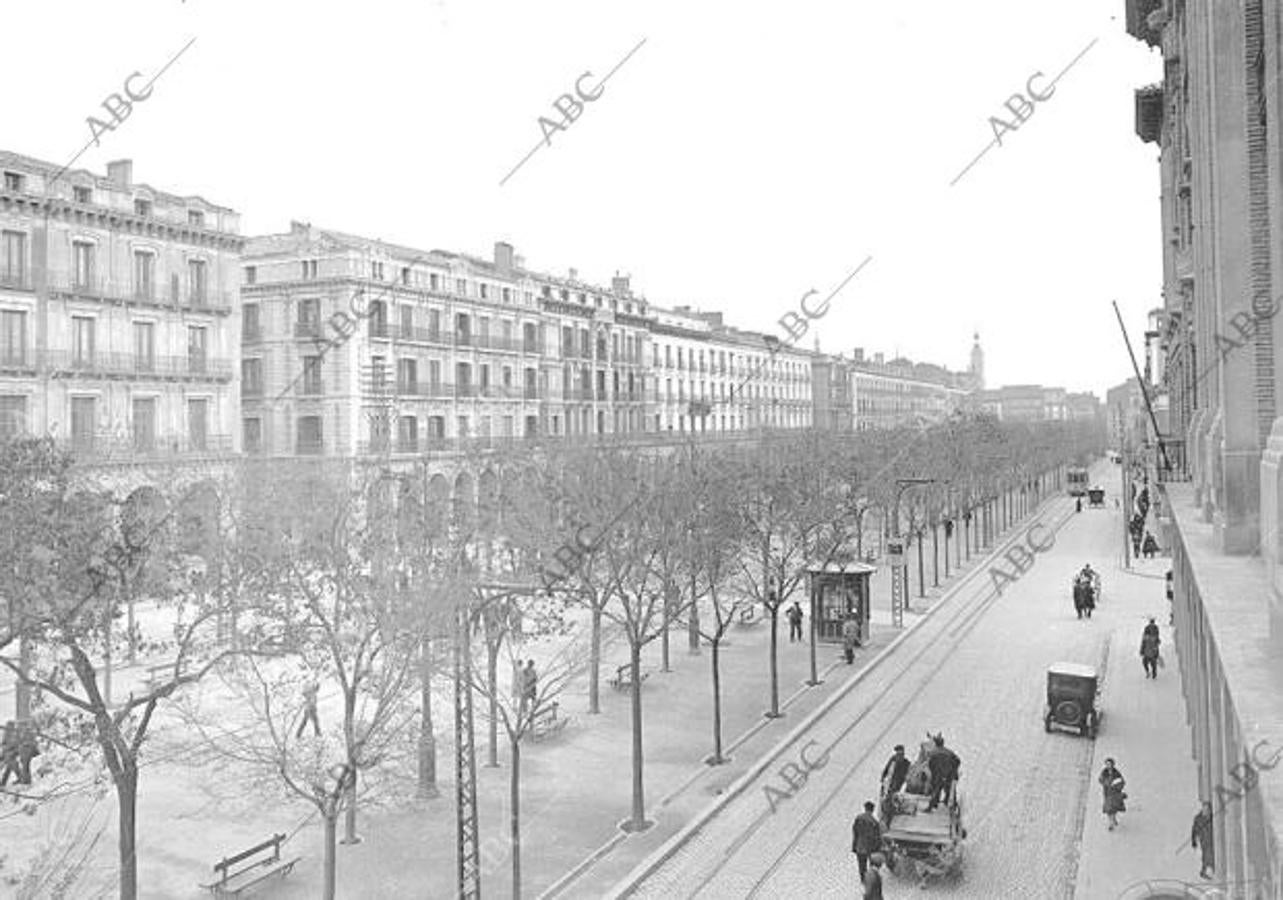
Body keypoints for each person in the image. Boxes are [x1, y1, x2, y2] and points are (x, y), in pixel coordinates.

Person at [925, 734, 960, 812]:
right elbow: (957, 761)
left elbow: (930, 764)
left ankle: (933, 805)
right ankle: (952, 804)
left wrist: (933, 773)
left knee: (936, 789)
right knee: (950, 789)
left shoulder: (932, 752)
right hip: (949, 773)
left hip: (938, 774)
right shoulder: (949, 752)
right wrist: (954, 771)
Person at [851, 800, 883, 882]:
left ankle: (863, 880)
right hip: (871, 848)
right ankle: (871, 880)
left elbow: (855, 833)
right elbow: (877, 837)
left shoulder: (858, 818)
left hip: (860, 847)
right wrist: (878, 848)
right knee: (872, 866)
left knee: (862, 866)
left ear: (865, 808)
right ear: (872, 810)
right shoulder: (874, 822)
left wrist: (854, 846)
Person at [1099, 758, 1126, 830]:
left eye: (1110, 764)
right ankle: (1110, 823)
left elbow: (1121, 781)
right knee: (1108, 809)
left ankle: (1113, 818)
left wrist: (1116, 785)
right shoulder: (1104, 772)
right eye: (1107, 764)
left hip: (1114, 793)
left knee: (1114, 808)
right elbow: (1100, 779)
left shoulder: (1116, 773)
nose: (1108, 765)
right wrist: (1105, 782)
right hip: (1107, 793)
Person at [1191, 801, 1215, 879]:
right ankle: (1204, 871)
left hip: (1211, 839)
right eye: (1205, 808)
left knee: (1210, 855)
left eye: (1207, 809)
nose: (1206, 810)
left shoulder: (1211, 817)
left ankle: (1209, 870)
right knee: (1206, 855)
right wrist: (1194, 841)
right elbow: (1194, 830)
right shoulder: (1198, 819)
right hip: (1204, 839)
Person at [0, 721, 20, 788]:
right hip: (5, 754)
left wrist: (13, 752)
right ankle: (3, 783)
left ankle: (3, 783)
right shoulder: (6, 735)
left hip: (12, 755)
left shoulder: (16, 735)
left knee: (10, 767)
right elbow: (3, 744)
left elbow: (18, 747)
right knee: (6, 767)